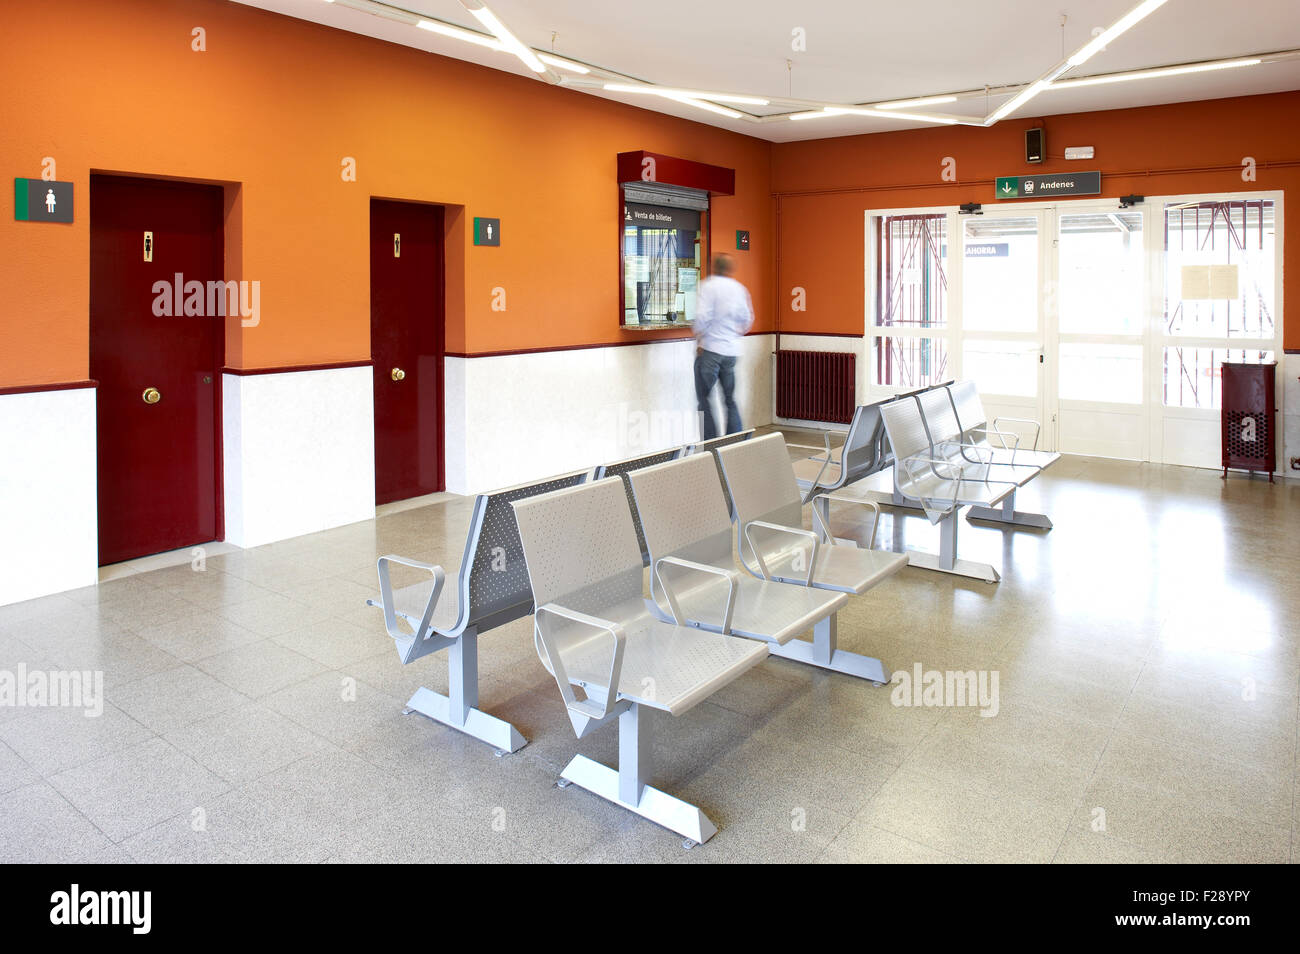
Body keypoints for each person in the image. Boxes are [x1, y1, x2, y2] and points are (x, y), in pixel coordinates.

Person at [692, 253, 753, 440]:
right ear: (730, 269)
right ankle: (734, 440)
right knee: (730, 399)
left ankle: (710, 441)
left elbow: (702, 317)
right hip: (731, 352)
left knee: (704, 399)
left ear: (714, 267)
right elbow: (748, 320)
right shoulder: (740, 289)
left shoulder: (708, 286)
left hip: (710, 349)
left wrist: (700, 338)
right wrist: (733, 334)